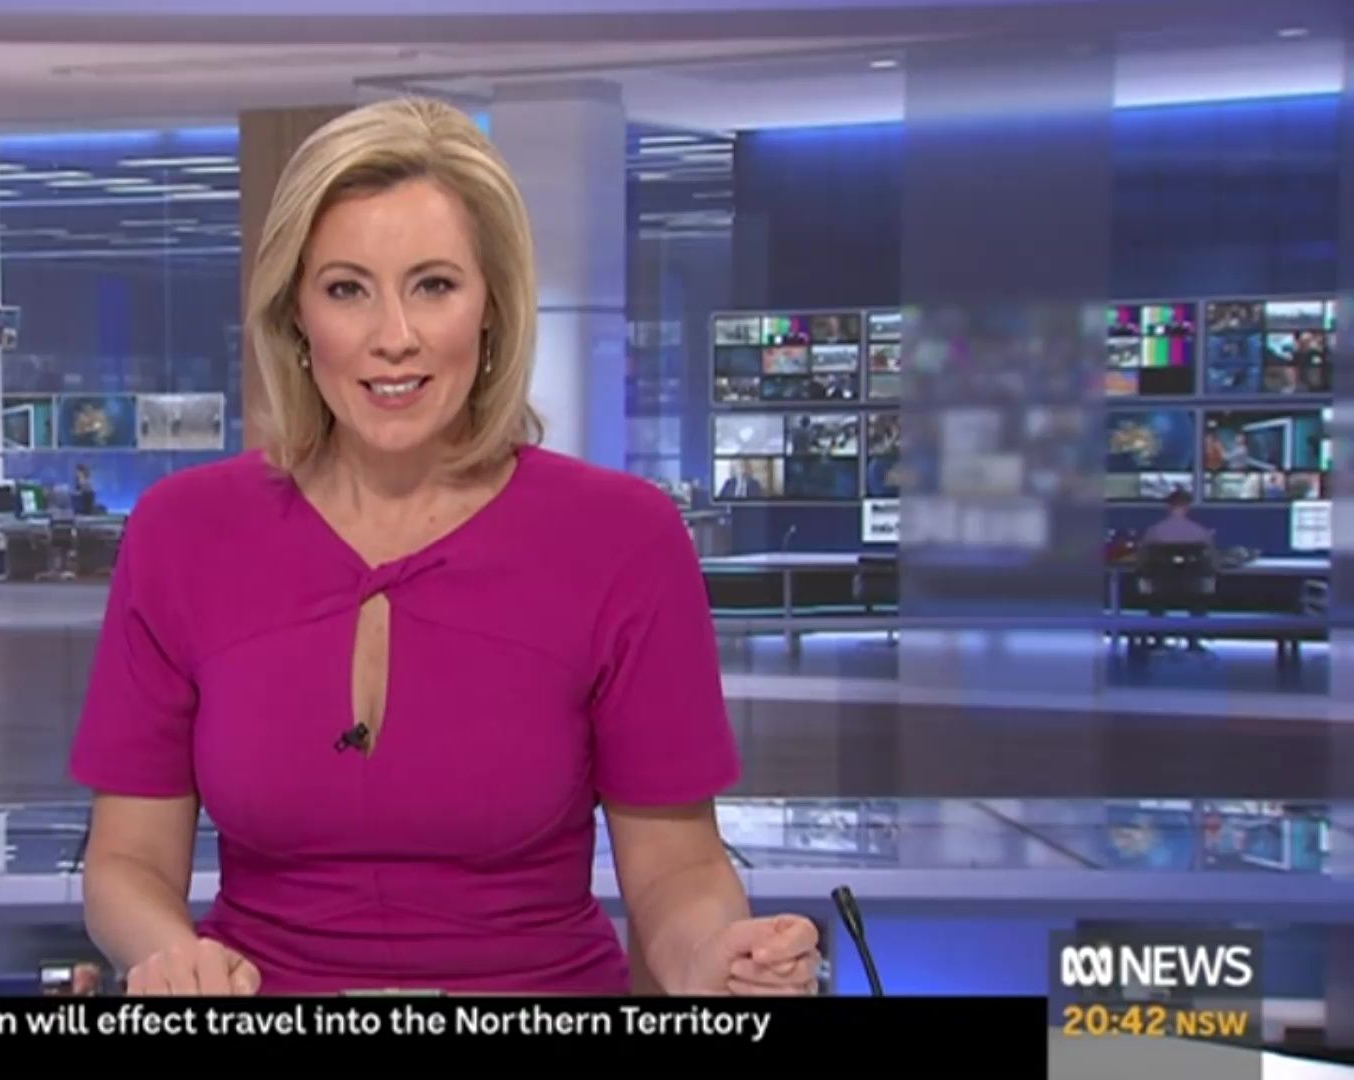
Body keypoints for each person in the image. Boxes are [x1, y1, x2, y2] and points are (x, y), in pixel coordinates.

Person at [69, 97, 820, 997]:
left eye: (434, 285)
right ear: (295, 314)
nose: (395, 337)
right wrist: (169, 954)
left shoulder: (624, 539)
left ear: (492, 305)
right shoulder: (183, 532)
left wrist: (713, 958)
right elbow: (126, 861)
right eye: (347, 289)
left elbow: (678, 871)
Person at [1137, 488, 1215, 652]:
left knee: (1153, 594)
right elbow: (1211, 562)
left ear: (1168, 507)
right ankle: (1193, 642)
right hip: (1192, 591)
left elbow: (1142, 561)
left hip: (1160, 592)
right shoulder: (1201, 533)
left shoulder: (1154, 532)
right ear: (1188, 507)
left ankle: (1159, 640)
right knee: (1201, 591)